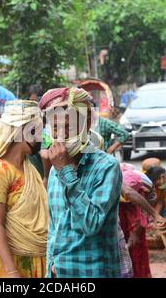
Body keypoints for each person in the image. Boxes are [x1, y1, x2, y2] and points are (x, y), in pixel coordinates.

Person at [39, 87, 122, 278]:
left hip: (93, 273)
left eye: (68, 127)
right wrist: (50, 268)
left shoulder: (106, 167)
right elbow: (54, 228)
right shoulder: (54, 171)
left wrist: (66, 172)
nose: (60, 135)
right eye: (55, 127)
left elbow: (91, 224)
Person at [0, 100, 48, 278]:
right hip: (15, 261)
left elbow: (34, 200)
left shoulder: (29, 167)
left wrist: (48, 171)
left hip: (40, 256)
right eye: (38, 131)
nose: (41, 138)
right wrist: (11, 271)